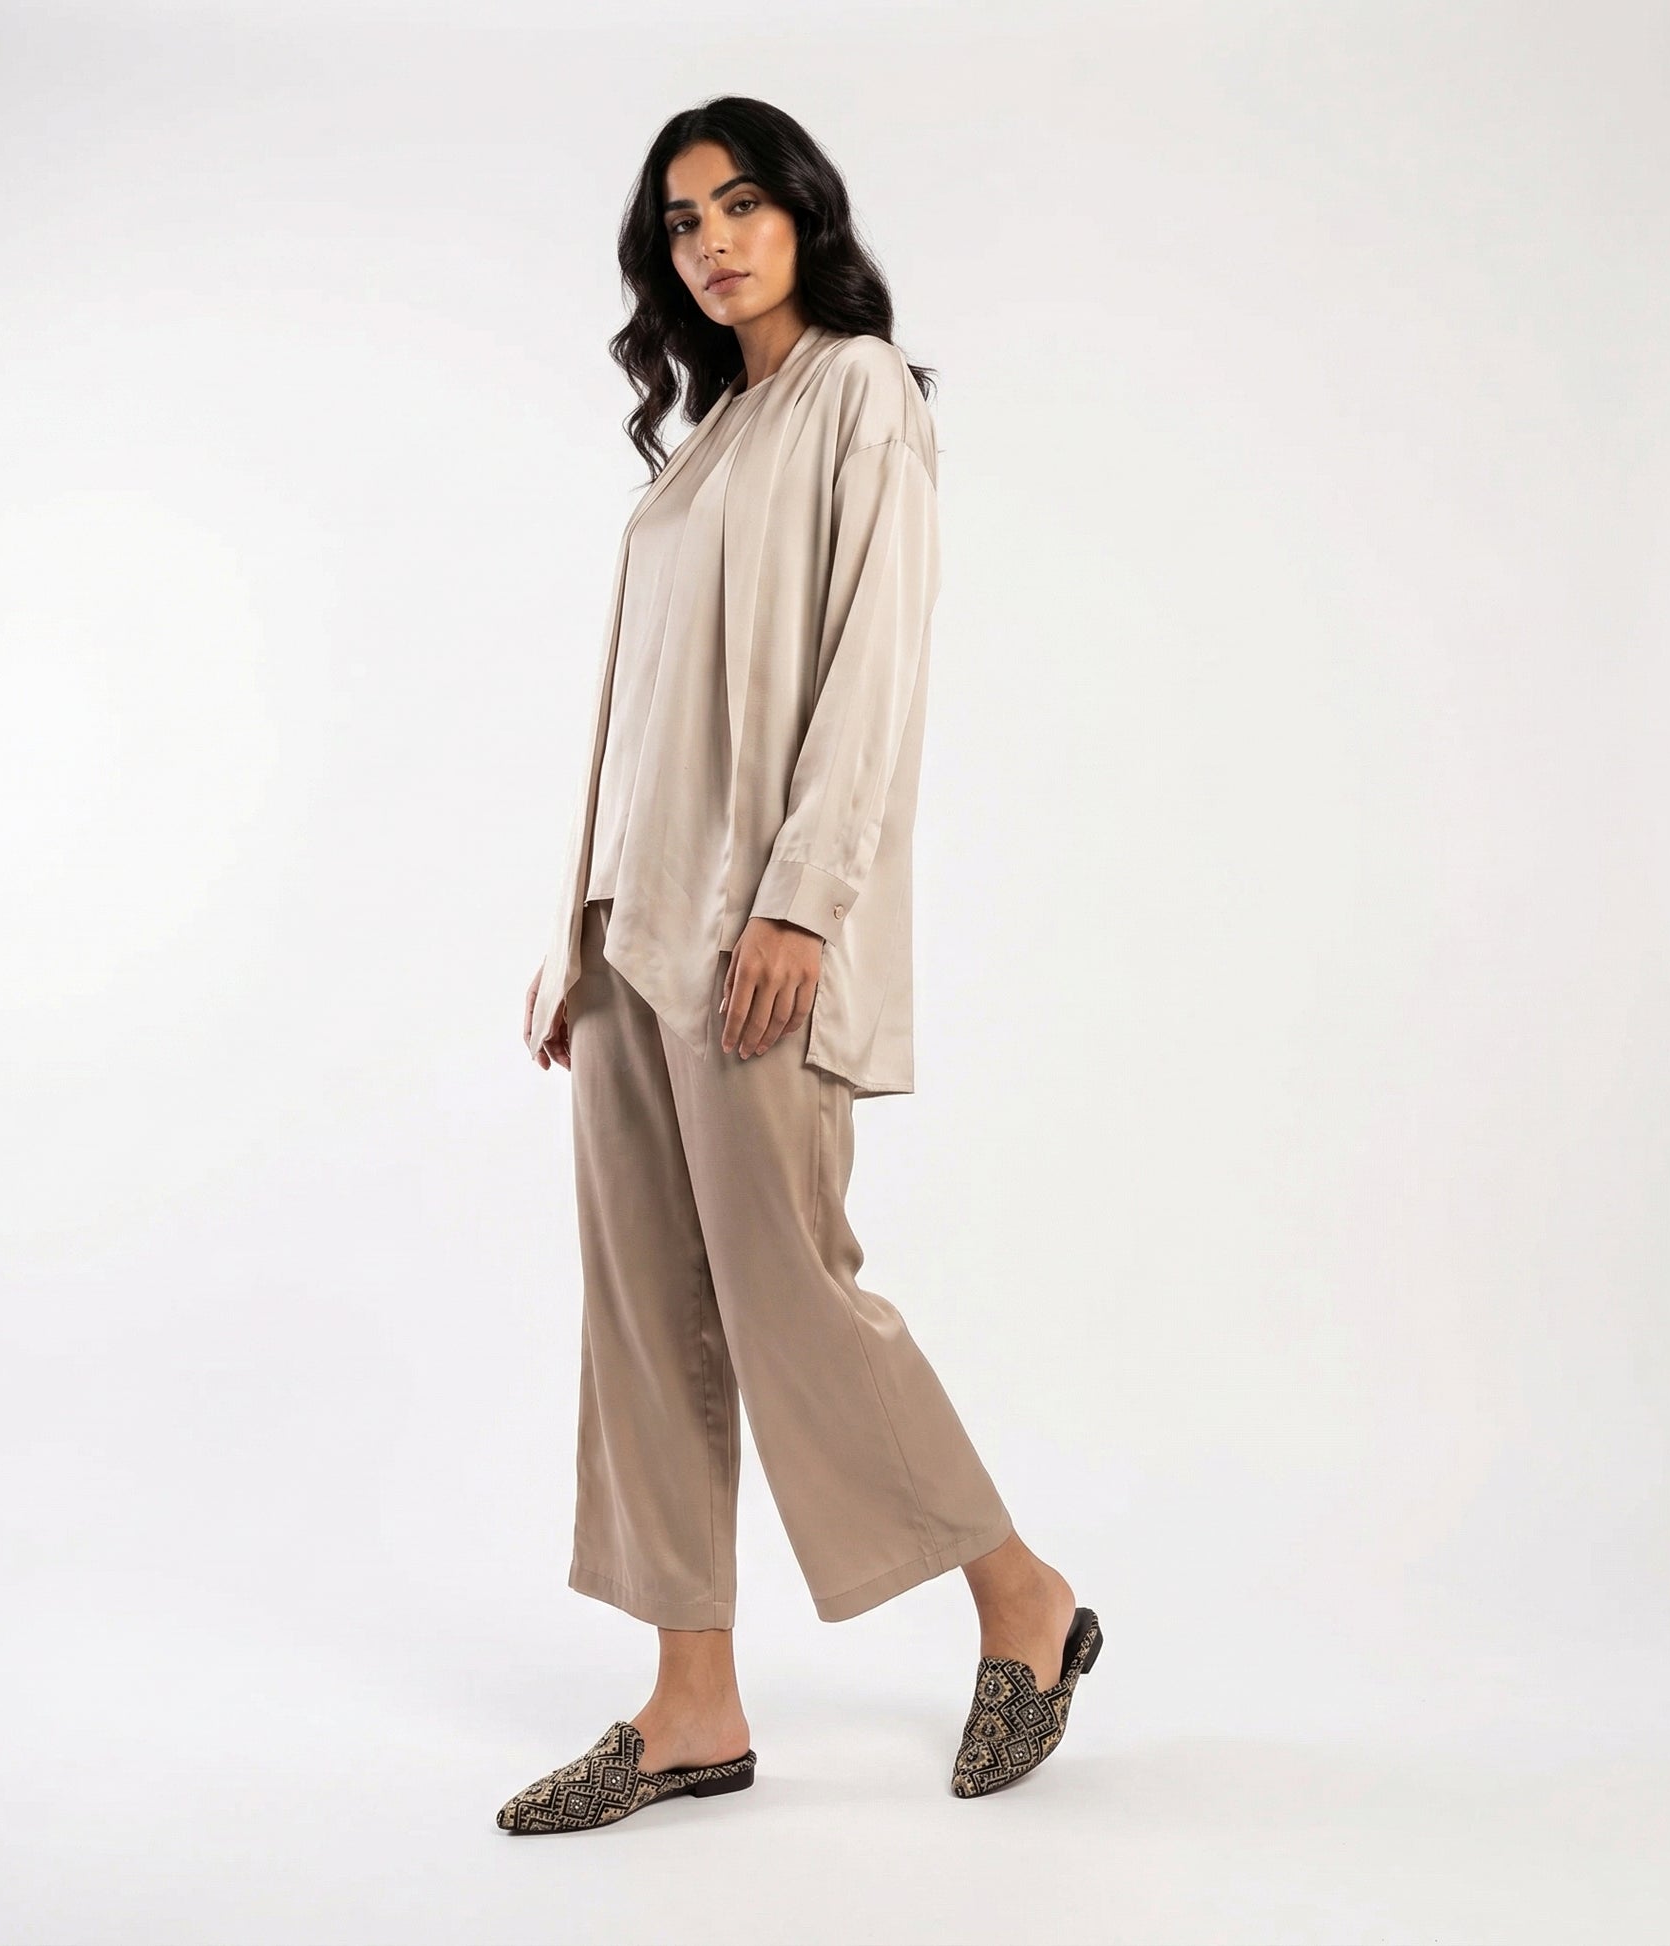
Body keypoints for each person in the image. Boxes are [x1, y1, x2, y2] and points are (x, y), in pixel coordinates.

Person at [500, 96, 1101, 1835]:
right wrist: (573, 928)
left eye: (741, 203)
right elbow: (639, 716)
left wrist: (802, 904)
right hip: (632, 942)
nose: (711, 240)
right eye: (681, 221)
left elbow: (873, 669)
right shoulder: (704, 444)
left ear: (803, 215)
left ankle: (1019, 1592)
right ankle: (689, 1699)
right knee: (643, 1316)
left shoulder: (858, 394)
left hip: (752, 939)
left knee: (791, 1295)